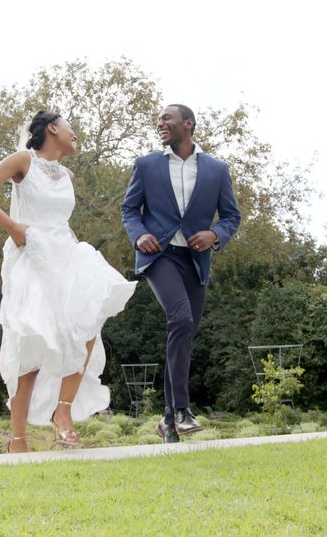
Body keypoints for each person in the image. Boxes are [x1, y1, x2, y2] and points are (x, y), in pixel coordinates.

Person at [0, 110, 137, 453]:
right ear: (52, 129)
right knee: (32, 343)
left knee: (87, 323)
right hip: (31, 255)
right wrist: (13, 228)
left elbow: (59, 218)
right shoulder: (23, 161)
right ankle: (18, 441)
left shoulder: (66, 174)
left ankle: (63, 413)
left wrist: (73, 242)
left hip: (63, 252)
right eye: (71, 128)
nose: (75, 134)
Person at [121, 104, 241, 443]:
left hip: (196, 260)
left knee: (185, 335)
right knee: (181, 320)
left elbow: (232, 216)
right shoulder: (146, 165)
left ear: (187, 124)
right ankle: (184, 410)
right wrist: (139, 234)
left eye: (166, 118)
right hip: (159, 256)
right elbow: (130, 209)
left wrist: (215, 234)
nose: (159, 122)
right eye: (157, 118)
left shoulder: (217, 170)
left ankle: (168, 421)